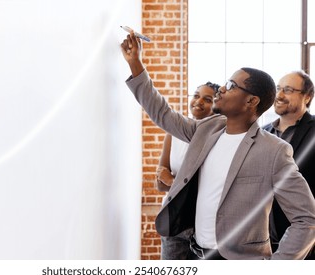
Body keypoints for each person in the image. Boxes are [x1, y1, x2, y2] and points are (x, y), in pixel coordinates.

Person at [120, 33, 315, 259]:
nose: (221, 89)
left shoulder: (273, 150)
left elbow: (307, 218)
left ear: (252, 101)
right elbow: (163, 114)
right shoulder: (206, 130)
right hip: (197, 253)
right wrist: (135, 63)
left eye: (231, 85)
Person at [156, 82, 220, 260]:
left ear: (217, 106)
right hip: (174, 219)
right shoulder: (173, 133)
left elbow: (209, 186)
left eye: (207, 99)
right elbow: (160, 184)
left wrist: (171, 181)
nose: (198, 101)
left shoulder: (218, 138)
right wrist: (168, 181)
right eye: (196, 95)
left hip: (203, 224)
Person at [263, 71, 315, 259]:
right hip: (265, 235)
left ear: (307, 96)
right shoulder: (263, 132)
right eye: (278, 88)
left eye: (288, 89)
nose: (280, 95)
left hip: (304, 238)